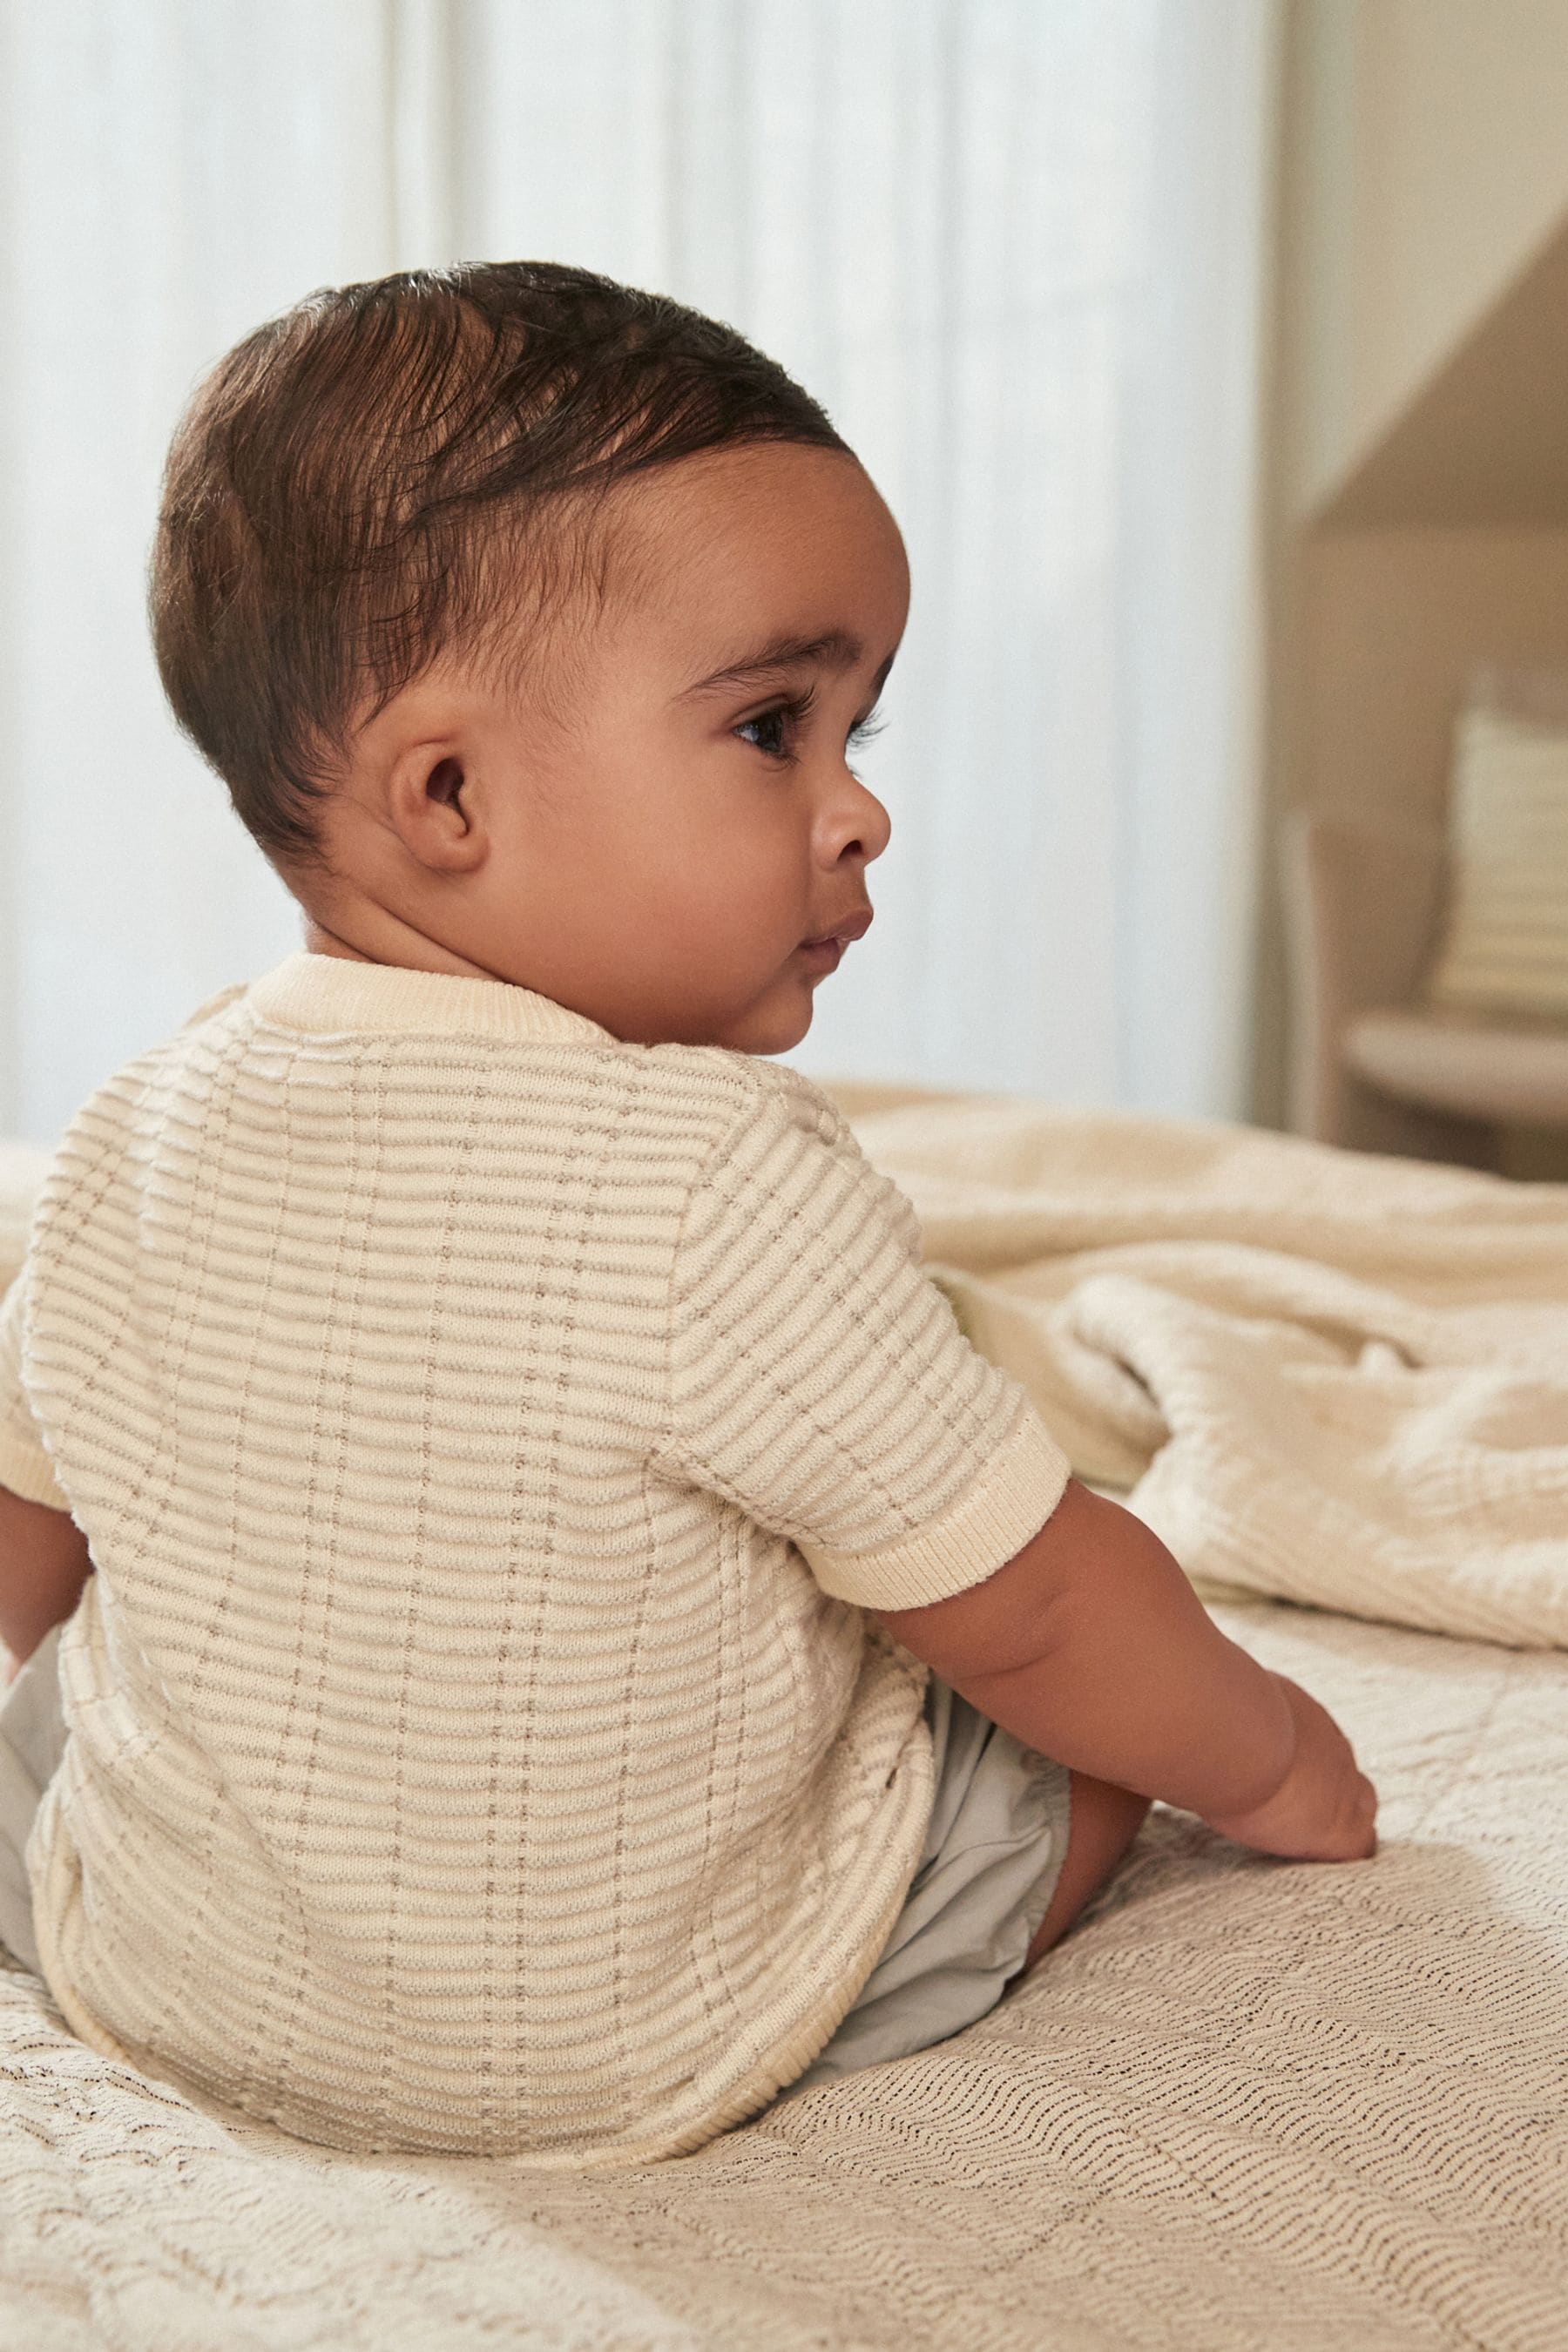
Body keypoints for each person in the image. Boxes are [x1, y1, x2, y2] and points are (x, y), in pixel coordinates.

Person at [0, 262, 1376, 2168]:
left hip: (166, 1977)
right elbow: (1043, 1603)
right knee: (1050, 1752)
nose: (858, 812)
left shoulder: (127, 1132)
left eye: (856, 735)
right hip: (613, 2051)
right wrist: (1279, 1759)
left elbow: (33, 1533)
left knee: (70, 1708)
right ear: (452, 792)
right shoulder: (708, 1176)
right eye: (770, 730)